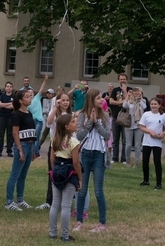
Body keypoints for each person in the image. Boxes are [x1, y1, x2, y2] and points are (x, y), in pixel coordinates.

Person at [73, 89, 109, 233]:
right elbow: (79, 136)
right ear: (91, 100)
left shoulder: (105, 115)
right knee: (81, 190)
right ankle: (79, 221)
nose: (102, 100)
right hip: (86, 155)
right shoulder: (82, 115)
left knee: (99, 191)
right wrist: (89, 123)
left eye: (102, 98)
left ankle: (102, 223)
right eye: (98, 98)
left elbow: (107, 136)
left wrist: (97, 123)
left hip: (99, 155)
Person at [48, 114, 82, 242]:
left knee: (55, 204)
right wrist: (80, 179)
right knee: (66, 206)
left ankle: (52, 233)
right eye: (73, 122)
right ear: (67, 127)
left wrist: (54, 170)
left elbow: (52, 158)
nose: (76, 123)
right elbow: (76, 163)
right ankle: (65, 235)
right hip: (69, 172)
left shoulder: (55, 139)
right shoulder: (73, 142)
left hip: (56, 170)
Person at [39, 91, 74, 211]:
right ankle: (50, 201)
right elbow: (49, 122)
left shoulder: (71, 114)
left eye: (67, 100)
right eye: (63, 100)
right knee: (53, 172)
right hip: (55, 146)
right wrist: (55, 107)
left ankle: (64, 200)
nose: (65, 102)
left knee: (67, 173)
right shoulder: (54, 113)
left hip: (68, 147)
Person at [5, 90, 37, 210]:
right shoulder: (17, 114)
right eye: (27, 97)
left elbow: (31, 133)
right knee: (15, 174)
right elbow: (15, 132)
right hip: (22, 145)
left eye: (30, 96)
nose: (30, 98)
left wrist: (33, 149)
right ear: (20, 100)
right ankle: (9, 202)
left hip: (29, 146)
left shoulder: (29, 113)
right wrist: (20, 149)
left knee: (23, 175)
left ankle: (20, 200)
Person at [138, 97, 165, 189]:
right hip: (147, 142)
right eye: (152, 104)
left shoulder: (163, 116)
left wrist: (163, 133)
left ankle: (159, 183)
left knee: (157, 162)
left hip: (157, 142)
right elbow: (142, 127)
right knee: (145, 161)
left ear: (159, 105)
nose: (153, 106)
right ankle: (146, 180)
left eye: (155, 104)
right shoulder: (146, 114)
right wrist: (150, 132)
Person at [123, 87, 146, 167]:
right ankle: (128, 161)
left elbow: (144, 107)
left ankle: (136, 163)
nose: (136, 93)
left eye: (138, 91)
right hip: (129, 125)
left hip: (139, 125)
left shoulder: (143, 101)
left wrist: (139, 99)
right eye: (135, 91)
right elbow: (124, 106)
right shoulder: (129, 101)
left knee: (137, 145)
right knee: (128, 145)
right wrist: (128, 96)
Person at [27, 75, 49, 159]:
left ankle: (35, 153)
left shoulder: (37, 97)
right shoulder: (27, 102)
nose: (30, 93)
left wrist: (45, 80)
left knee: (36, 136)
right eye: (29, 92)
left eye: (32, 92)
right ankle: (34, 153)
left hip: (39, 121)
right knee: (33, 137)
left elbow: (42, 88)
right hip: (32, 121)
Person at [109, 73, 128, 164]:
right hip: (116, 117)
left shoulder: (130, 89)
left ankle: (124, 159)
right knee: (115, 139)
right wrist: (121, 102)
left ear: (126, 80)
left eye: (124, 79)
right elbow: (111, 101)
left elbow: (129, 100)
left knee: (125, 140)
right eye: (121, 79)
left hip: (125, 118)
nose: (122, 81)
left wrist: (125, 91)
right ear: (118, 80)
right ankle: (115, 158)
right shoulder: (115, 90)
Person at [0, 82, 15, 157]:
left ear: (12, 88)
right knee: (1, 134)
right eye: (7, 86)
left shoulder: (14, 97)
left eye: (10, 86)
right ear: (5, 88)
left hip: (10, 117)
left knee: (10, 134)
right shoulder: (2, 96)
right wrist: (8, 104)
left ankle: (9, 151)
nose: (9, 88)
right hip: (2, 117)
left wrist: (3, 105)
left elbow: (14, 106)